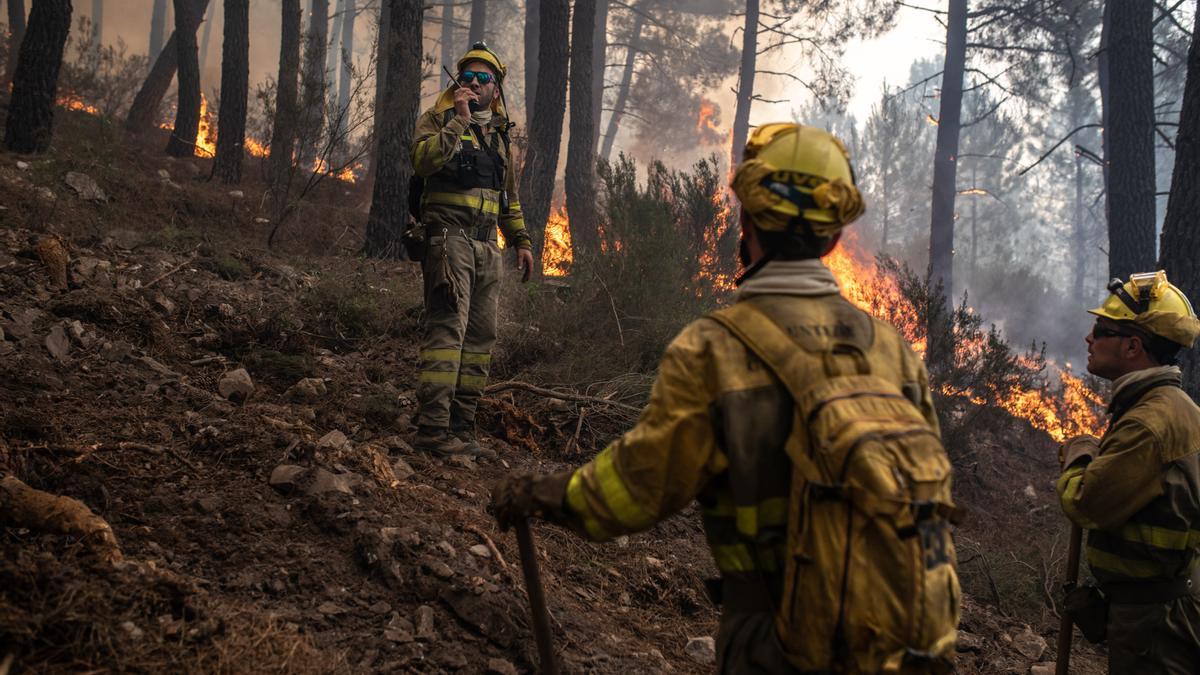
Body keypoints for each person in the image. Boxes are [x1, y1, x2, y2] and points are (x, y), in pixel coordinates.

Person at [491, 123, 960, 673]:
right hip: (900, 648)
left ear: (747, 221)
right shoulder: (893, 351)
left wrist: (542, 495)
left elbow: (635, 492)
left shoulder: (715, 349)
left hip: (778, 646)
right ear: (834, 239)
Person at [1057, 271, 1200, 673]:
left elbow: (1086, 504)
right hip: (1161, 607)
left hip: (1154, 623)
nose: (1089, 338)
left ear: (1133, 346)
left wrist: (1081, 455)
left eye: (1101, 329)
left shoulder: (1149, 423)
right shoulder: (1168, 407)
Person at [410, 43, 535, 457]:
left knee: (482, 336)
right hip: (448, 242)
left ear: (495, 89)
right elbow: (423, 162)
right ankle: (432, 429)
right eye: (467, 77)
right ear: (457, 83)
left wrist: (521, 241)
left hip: (487, 248)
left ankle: (462, 429)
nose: (473, 83)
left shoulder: (500, 137)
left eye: (483, 78)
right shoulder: (437, 120)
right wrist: (458, 123)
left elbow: (508, 199)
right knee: (448, 331)